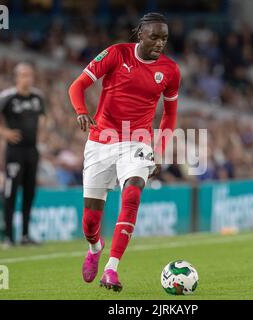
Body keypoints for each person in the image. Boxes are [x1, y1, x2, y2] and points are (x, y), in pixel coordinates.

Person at [68, 12, 180, 292]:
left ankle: (112, 269)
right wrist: (81, 112)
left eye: (164, 38)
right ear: (140, 34)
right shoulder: (116, 54)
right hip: (100, 141)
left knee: (132, 194)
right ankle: (95, 247)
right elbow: (77, 86)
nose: (159, 43)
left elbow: (169, 116)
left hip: (138, 142)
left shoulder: (170, 71)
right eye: (154, 36)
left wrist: (159, 150)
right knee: (90, 222)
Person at [0, 62, 46, 246]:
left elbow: (43, 116)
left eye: (30, 74)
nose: (28, 78)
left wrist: (42, 130)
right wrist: (3, 132)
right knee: (10, 191)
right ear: (17, 77)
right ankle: (8, 236)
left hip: (32, 150)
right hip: (14, 151)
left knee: (29, 192)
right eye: (24, 75)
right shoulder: (8, 96)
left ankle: (25, 235)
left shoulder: (37, 97)